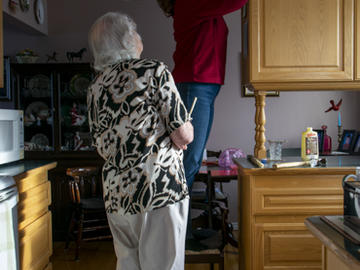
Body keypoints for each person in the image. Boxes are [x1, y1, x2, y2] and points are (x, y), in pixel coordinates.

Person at [87, 12, 194, 270]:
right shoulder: (153, 70)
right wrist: (186, 127)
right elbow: (182, 134)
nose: (139, 36)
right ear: (125, 40)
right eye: (135, 31)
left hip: (117, 196)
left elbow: (99, 143)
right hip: (157, 188)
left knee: (128, 265)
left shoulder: (95, 88)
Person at [157, 0, 248, 239]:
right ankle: (174, 234)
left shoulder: (199, 5)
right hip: (195, 84)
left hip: (203, 85)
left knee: (190, 162)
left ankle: (177, 232)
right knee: (187, 162)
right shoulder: (190, 3)